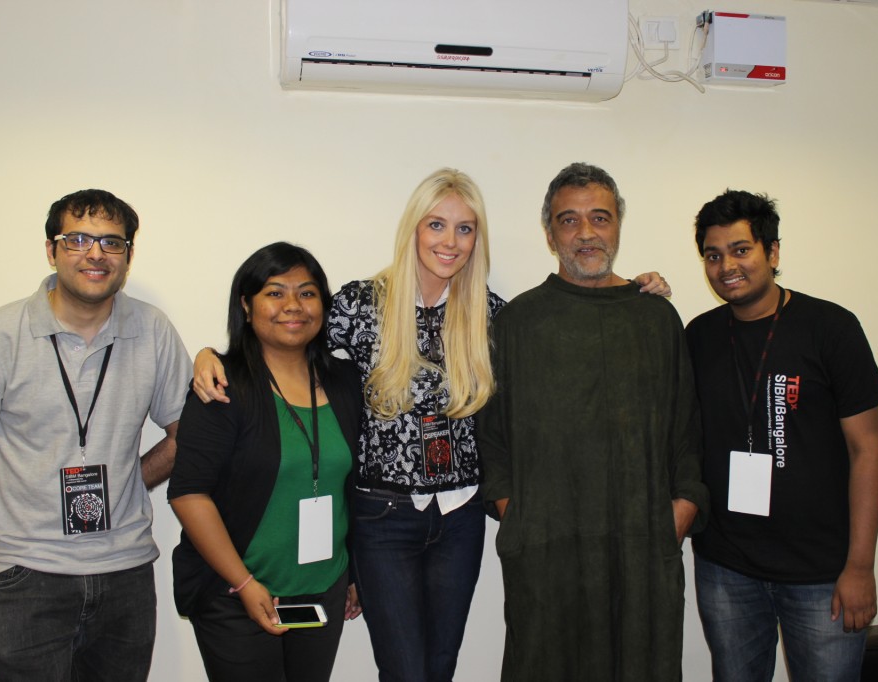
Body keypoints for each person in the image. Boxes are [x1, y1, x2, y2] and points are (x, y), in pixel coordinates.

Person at [192, 168, 671, 681]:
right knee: (403, 671)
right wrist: (208, 354)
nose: (450, 241)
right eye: (436, 225)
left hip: (461, 519)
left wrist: (634, 292)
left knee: (440, 668)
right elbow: (285, 330)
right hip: (382, 517)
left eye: (465, 229)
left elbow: (567, 353)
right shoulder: (361, 304)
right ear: (413, 230)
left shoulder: (492, 315)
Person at [0, 189, 191, 681]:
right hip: (27, 575)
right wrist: (15, 506)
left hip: (125, 571)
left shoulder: (152, 330)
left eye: (112, 243)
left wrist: (127, 483)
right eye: (78, 239)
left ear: (129, 257)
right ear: (51, 250)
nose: (95, 253)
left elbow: (187, 434)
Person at [476, 162, 707, 682]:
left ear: (618, 224)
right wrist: (519, 515)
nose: (586, 233)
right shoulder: (518, 322)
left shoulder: (656, 319)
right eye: (569, 220)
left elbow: (688, 430)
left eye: (599, 218)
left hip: (642, 551)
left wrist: (682, 510)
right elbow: (492, 441)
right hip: (547, 553)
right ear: (549, 231)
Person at [686, 189, 878, 681]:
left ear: (772, 253)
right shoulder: (699, 335)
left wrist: (860, 566)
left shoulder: (831, 328)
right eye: (713, 255)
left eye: (740, 249)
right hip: (727, 567)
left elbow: (867, 452)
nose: (726, 265)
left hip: (823, 573)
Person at [168, 242, 363, 682]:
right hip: (236, 595)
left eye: (307, 293)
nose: (293, 305)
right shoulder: (221, 386)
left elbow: (353, 487)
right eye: (275, 292)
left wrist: (352, 571)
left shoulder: (346, 382)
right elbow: (188, 493)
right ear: (246, 304)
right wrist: (243, 583)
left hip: (322, 591)